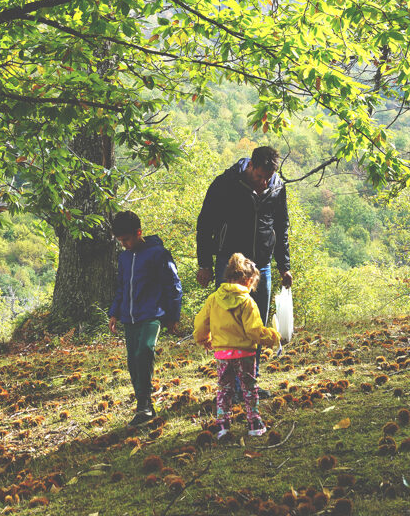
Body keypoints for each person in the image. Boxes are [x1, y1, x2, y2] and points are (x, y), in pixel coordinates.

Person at [196, 145, 292, 397]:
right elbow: (205, 224)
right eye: (259, 177)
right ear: (250, 166)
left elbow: (281, 226)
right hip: (230, 264)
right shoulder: (225, 184)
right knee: (229, 324)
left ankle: (249, 383)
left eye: (267, 178)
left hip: (261, 265)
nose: (263, 183)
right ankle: (230, 385)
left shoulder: (277, 187)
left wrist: (284, 266)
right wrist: (204, 263)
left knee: (255, 323)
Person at [193, 253, 280, 438]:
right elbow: (254, 331)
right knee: (249, 387)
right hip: (245, 353)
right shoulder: (247, 302)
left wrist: (204, 340)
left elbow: (201, 324)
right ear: (248, 280)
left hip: (222, 354)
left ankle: (222, 425)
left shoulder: (214, 299)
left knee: (224, 389)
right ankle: (254, 423)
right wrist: (273, 336)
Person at [109, 211, 182, 426]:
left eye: (127, 239)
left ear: (138, 233)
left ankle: (145, 403)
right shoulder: (123, 258)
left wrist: (172, 316)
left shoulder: (158, 253)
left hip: (152, 314)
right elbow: (121, 288)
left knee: (144, 351)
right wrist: (114, 313)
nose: (124, 244)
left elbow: (173, 285)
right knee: (133, 360)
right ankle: (143, 404)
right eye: (120, 241)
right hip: (129, 318)